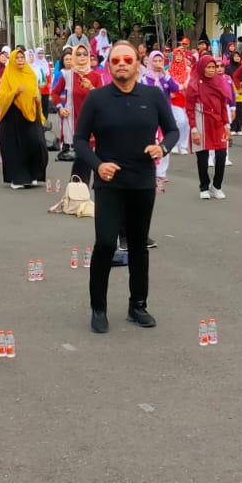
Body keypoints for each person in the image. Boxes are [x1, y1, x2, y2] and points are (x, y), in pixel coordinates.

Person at [73, 41, 180, 334]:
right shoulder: (97, 98)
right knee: (106, 243)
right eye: (116, 60)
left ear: (137, 65)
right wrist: (98, 165)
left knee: (138, 245)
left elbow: (172, 131)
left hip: (142, 181)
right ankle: (98, 307)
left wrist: (162, 148)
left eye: (127, 60)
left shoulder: (152, 96)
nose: (121, 63)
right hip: (109, 182)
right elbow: (79, 141)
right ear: (109, 66)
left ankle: (138, 305)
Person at [0, 46, 48, 189]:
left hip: (31, 114)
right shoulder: (8, 75)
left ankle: (34, 175)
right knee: (16, 148)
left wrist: (38, 100)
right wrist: (15, 92)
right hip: (13, 115)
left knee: (36, 143)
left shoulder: (30, 74)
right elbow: (1, 97)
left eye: (21, 57)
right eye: (17, 58)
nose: (19, 60)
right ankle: (18, 178)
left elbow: (35, 91)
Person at [186, 54, 232, 199]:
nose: (212, 70)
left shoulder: (219, 82)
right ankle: (204, 186)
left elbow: (223, 105)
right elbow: (189, 108)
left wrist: (227, 125)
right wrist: (194, 129)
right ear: (201, 68)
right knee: (202, 157)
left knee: (221, 154)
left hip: (218, 123)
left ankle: (217, 186)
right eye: (209, 67)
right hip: (201, 122)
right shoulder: (194, 83)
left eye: (214, 67)